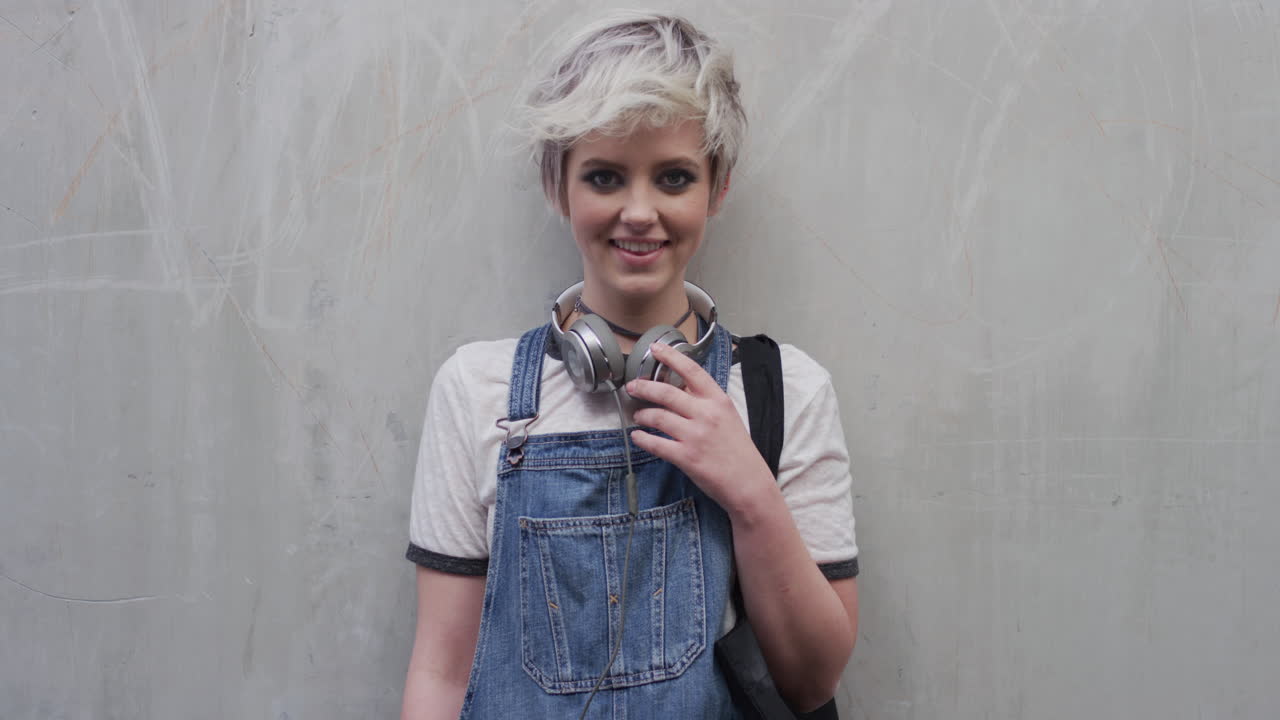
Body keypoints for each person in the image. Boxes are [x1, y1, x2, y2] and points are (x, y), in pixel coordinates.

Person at [401, 12, 858, 719]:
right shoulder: (476, 390)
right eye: (605, 177)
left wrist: (750, 494)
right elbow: (441, 674)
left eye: (674, 178)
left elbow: (812, 681)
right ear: (558, 186)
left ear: (717, 189)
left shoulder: (784, 391)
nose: (640, 212)